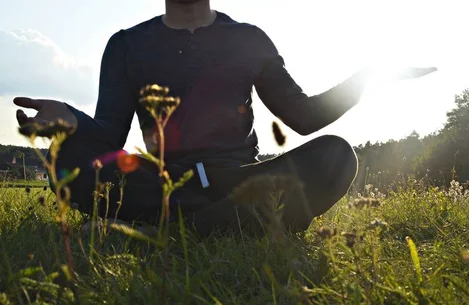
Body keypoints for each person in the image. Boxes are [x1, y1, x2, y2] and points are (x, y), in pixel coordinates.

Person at [14, 0, 436, 236]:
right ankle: (230, 224)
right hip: (164, 183)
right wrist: (72, 120)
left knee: (337, 156)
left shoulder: (248, 39)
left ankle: (165, 232)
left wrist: (369, 78)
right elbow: (108, 135)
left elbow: (303, 117)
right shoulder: (126, 45)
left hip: (241, 179)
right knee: (66, 157)